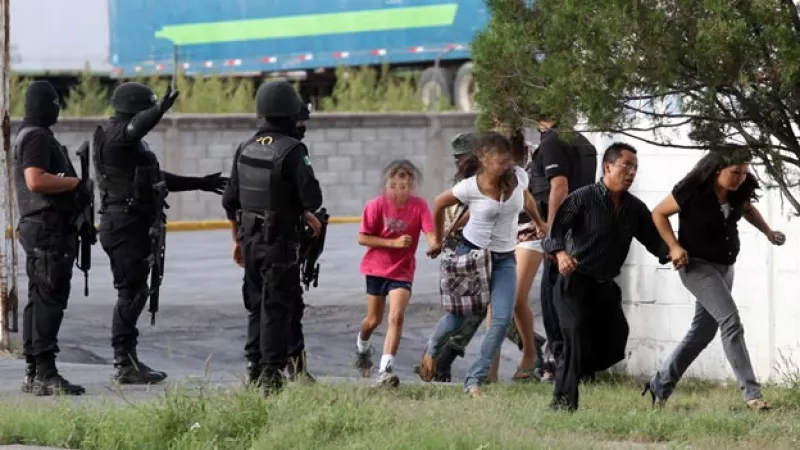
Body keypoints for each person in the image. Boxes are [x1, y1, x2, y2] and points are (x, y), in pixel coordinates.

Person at [95, 81, 228, 385]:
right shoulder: (116, 137)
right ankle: (124, 362)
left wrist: (200, 183)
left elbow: (155, 177)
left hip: (133, 225)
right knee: (131, 293)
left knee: (136, 291)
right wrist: (159, 109)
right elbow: (135, 129)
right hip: (123, 226)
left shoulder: (129, 144)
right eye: (145, 111)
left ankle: (128, 359)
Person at [642, 150, 785, 411]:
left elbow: (748, 209)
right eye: (735, 172)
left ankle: (659, 385)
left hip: (724, 266)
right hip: (696, 266)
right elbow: (658, 214)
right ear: (717, 169)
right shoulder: (692, 189)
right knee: (731, 320)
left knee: (702, 332)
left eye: (744, 172)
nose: (740, 178)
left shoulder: (738, 190)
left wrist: (768, 231)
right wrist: (673, 246)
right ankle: (752, 394)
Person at [540, 142, 669, 411]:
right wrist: (562, 255)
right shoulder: (582, 197)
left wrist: (675, 253)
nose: (632, 172)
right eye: (627, 166)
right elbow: (554, 234)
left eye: (635, 168)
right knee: (574, 335)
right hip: (574, 282)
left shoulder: (635, 208)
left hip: (605, 287)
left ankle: (566, 364)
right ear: (607, 167)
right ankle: (562, 404)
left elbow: (655, 241)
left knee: (615, 343)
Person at [419, 131, 544, 397]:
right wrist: (437, 240)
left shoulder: (519, 178)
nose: (504, 165)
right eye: (499, 161)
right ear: (483, 159)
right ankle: (431, 349)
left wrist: (540, 223)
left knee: (499, 322)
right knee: (457, 319)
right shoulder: (470, 187)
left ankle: (474, 381)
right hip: (472, 256)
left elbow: (528, 199)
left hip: (504, 259)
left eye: (507, 160)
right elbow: (439, 204)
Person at [222, 80, 323, 394]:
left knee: (257, 307)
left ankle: (255, 369)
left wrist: (237, 240)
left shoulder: (245, 147)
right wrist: (303, 211)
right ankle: (271, 375)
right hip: (279, 243)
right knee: (277, 307)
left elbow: (230, 201)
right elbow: (312, 198)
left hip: (250, 240)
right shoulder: (293, 150)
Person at [12, 81, 89, 396]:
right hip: (47, 229)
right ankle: (45, 372)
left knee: (40, 299)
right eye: (56, 102)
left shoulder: (30, 135)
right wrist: (74, 183)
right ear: (46, 104)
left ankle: (34, 372)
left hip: (42, 228)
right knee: (49, 300)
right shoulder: (37, 137)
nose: (58, 108)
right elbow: (35, 180)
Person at [352, 160, 436, 387]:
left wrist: (434, 244)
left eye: (404, 185)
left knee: (396, 316)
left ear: (411, 186)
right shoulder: (376, 205)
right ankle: (362, 346)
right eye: (394, 184)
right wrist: (393, 243)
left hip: (402, 270)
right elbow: (363, 237)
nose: (399, 190)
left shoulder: (419, 206)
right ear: (386, 185)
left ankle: (385, 370)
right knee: (373, 320)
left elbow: (430, 231)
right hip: (376, 267)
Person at [530, 118, 597, 381]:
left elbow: (560, 186)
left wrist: (553, 234)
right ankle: (583, 366)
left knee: (554, 297)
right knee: (577, 299)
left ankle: (563, 363)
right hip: (585, 229)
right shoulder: (583, 141)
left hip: (564, 233)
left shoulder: (552, 141)